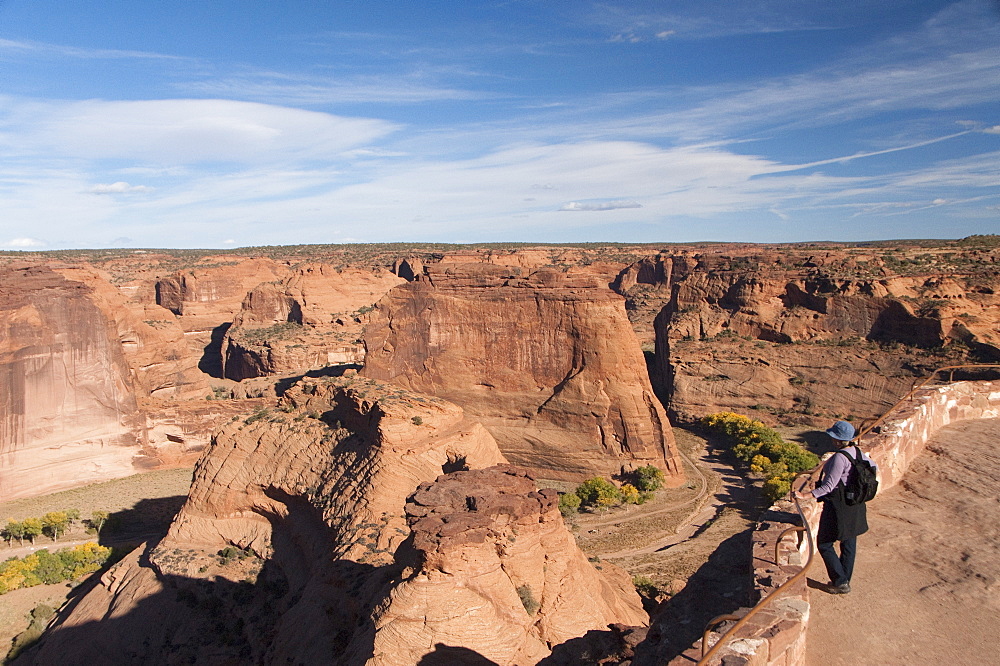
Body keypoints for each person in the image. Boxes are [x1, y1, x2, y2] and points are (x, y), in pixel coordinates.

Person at [795, 420, 877, 594]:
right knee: (849, 542)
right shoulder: (857, 451)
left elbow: (829, 486)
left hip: (839, 507)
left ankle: (840, 581)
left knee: (824, 543)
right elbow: (874, 466)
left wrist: (805, 495)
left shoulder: (840, 457)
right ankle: (843, 581)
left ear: (838, 440)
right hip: (855, 503)